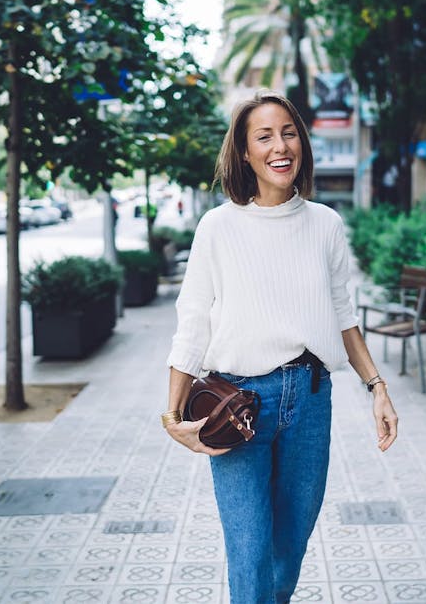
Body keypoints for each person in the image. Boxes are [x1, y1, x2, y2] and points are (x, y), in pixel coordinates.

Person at [163, 89, 398, 604]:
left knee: (289, 548)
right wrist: (172, 414)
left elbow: (343, 316)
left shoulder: (326, 224)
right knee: (249, 552)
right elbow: (193, 320)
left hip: (310, 402)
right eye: (264, 136)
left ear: (302, 144)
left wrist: (377, 387)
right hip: (238, 404)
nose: (280, 146)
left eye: (289, 133)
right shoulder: (218, 227)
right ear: (245, 153)